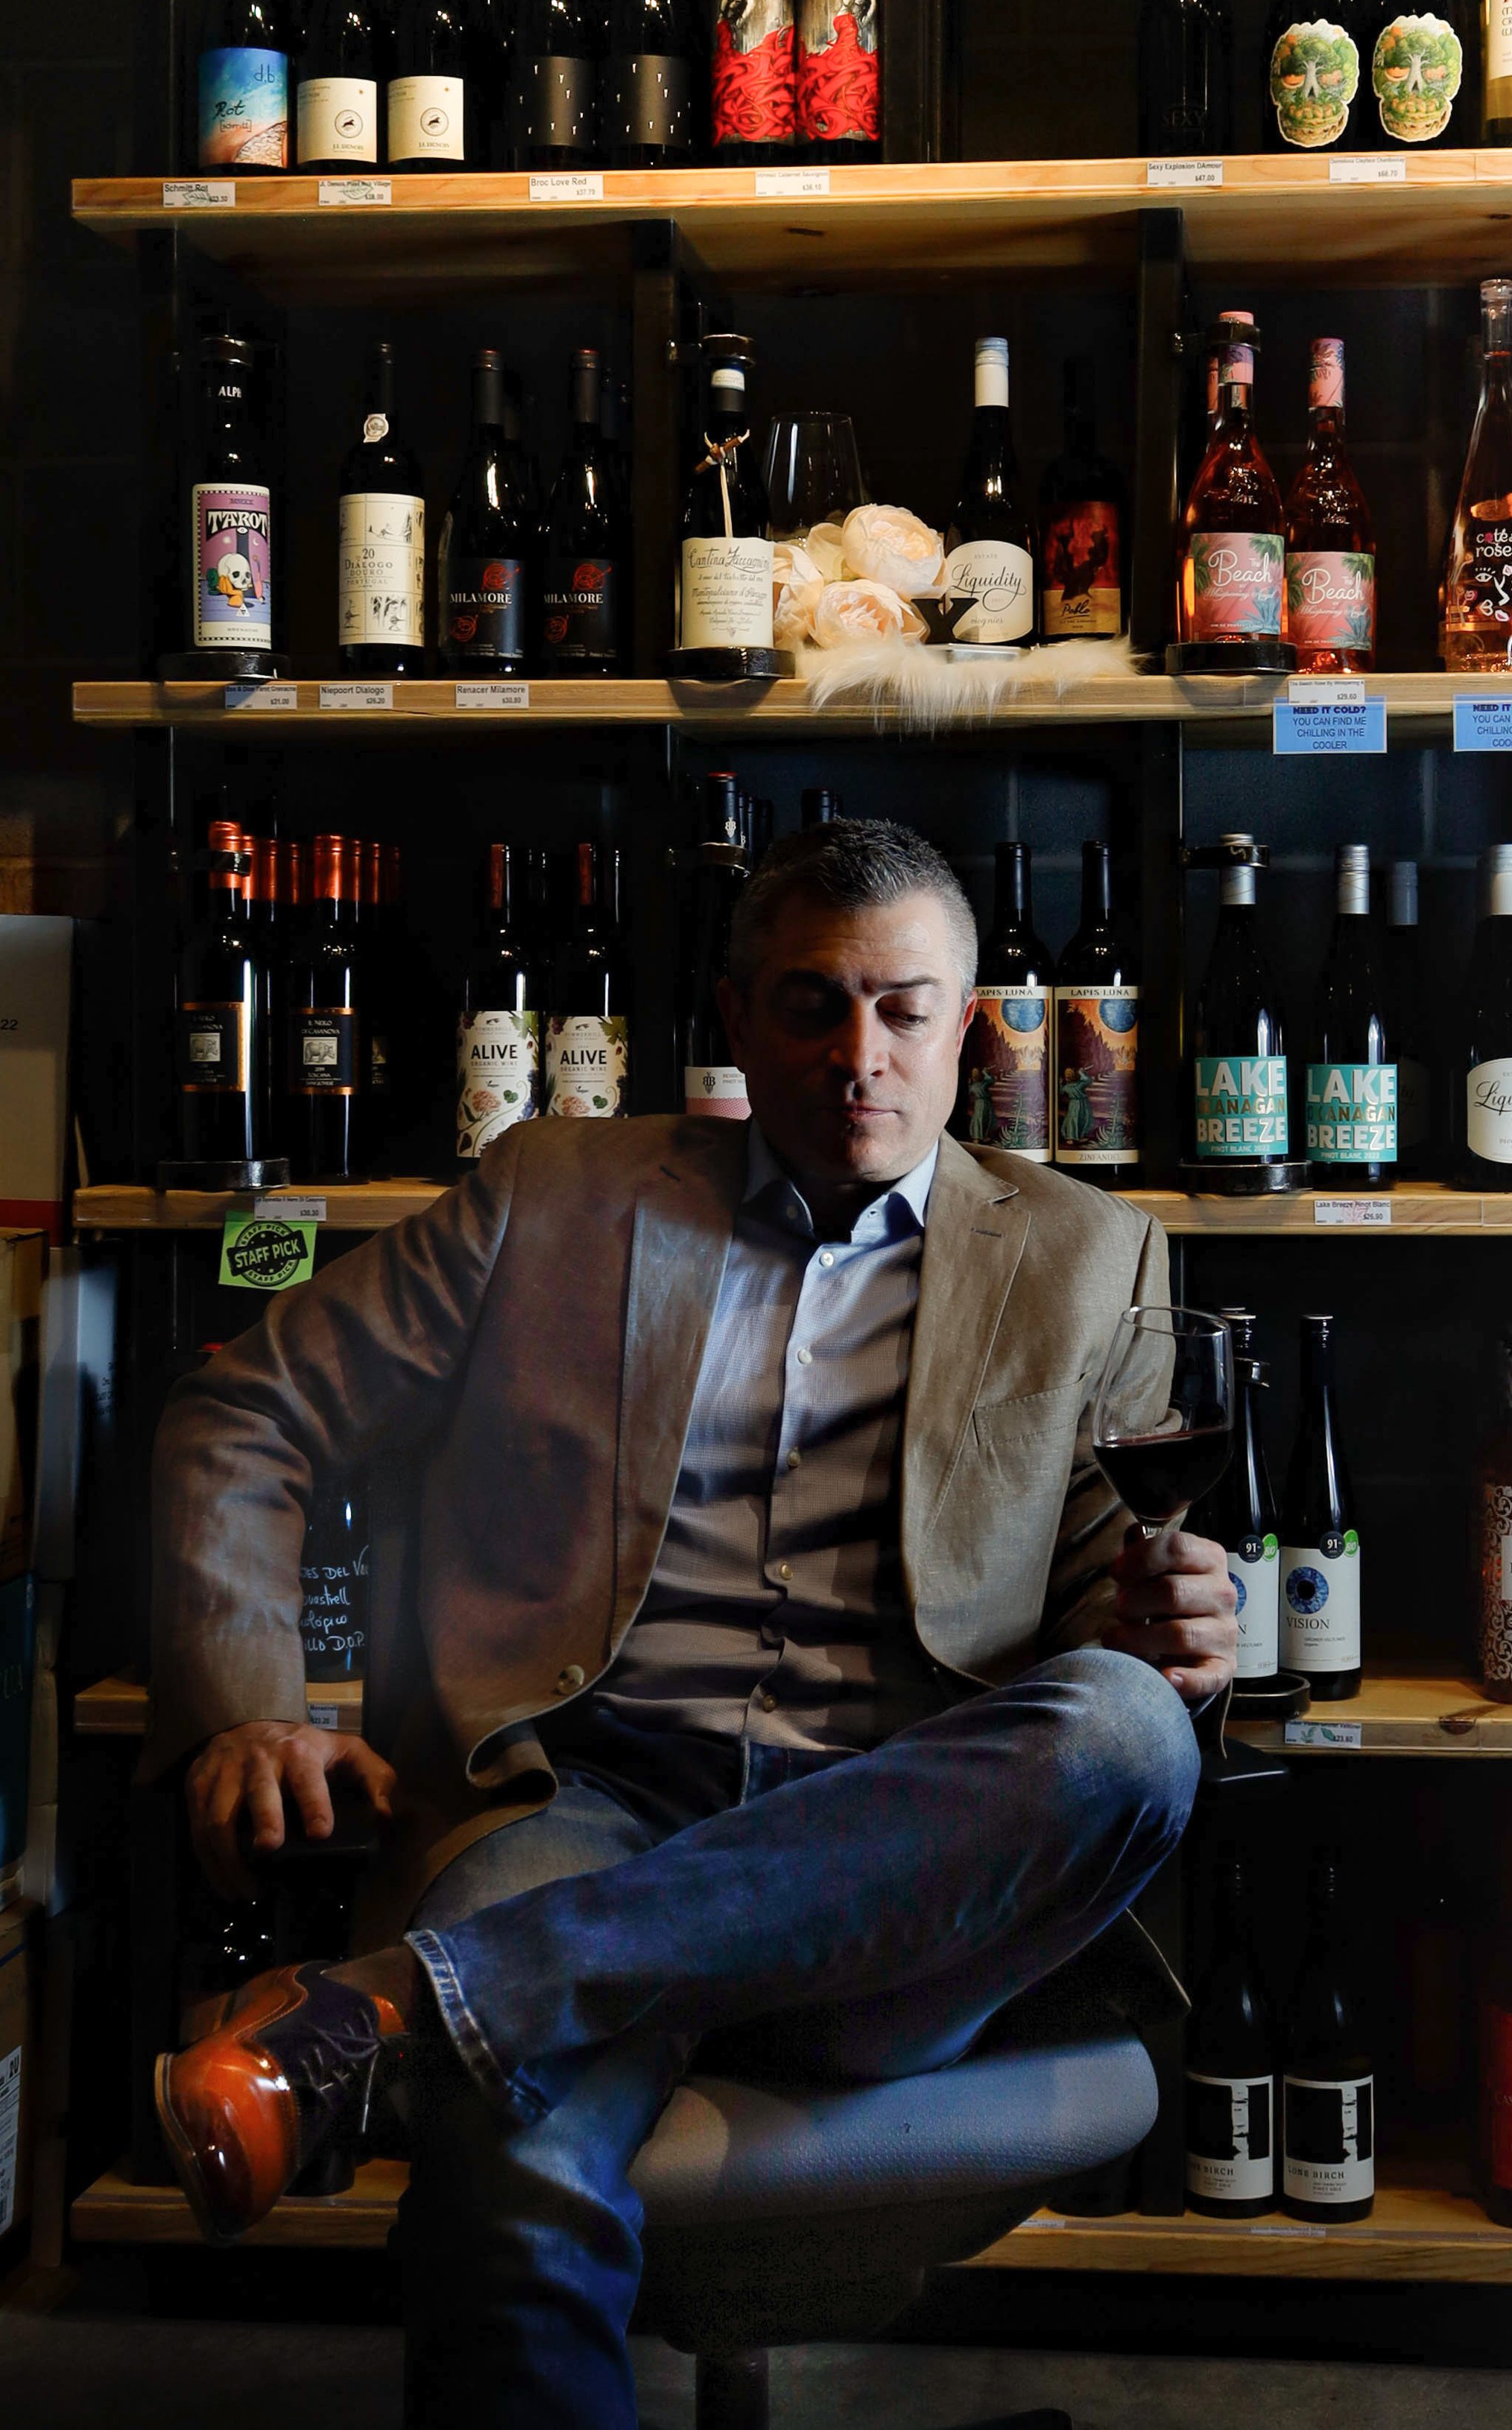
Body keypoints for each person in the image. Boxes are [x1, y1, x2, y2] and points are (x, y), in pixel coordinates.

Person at [148, 817, 1236, 2430]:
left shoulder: (1090, 1256)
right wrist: (247, 1705)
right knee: (513, 2182)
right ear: (733, 1023)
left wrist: (1169, 1624)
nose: (856, 1056)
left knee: (1133, 1734)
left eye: (902, 1010)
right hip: (584, 1805)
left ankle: (394, 2007)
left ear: (968, 1024)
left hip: (897, 1854)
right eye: (808, 1006)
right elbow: (243, 1417)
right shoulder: (552, 1200)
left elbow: (1093, 1598)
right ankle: (482, 1999)